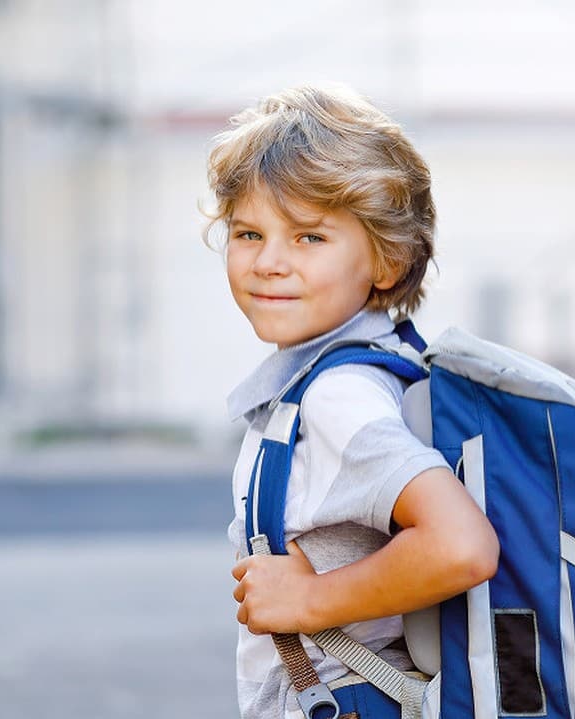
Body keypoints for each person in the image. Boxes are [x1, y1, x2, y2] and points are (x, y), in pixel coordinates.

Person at [205, 84, 500, 719]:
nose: (269, 262)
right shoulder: (380, 365)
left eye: (310, 237)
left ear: (388, 260)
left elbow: (461, 546)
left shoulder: (340, 396)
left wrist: (309, 601)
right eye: (248, 232)